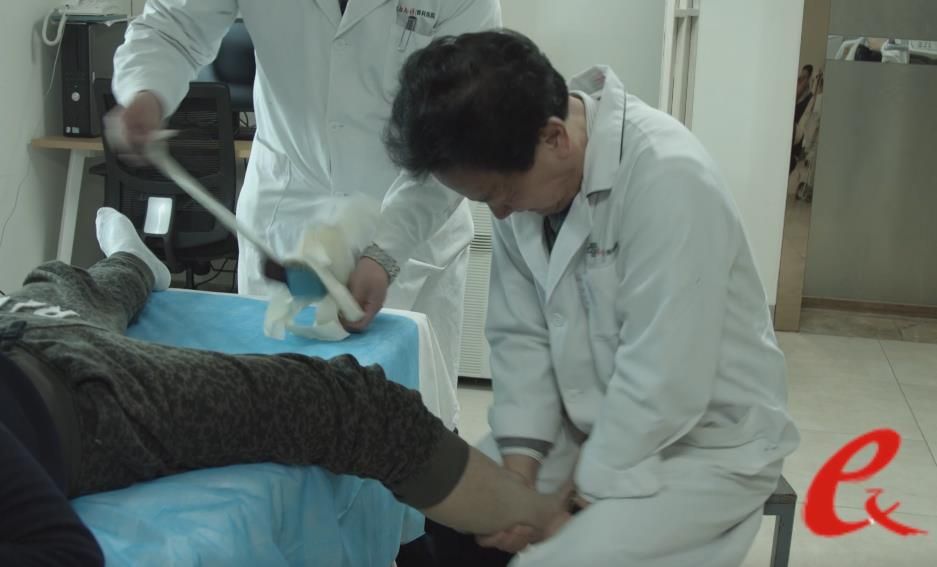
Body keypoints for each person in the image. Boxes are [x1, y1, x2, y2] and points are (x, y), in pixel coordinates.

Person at [385, 30, 801, 566]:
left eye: (499, 194)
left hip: (704, 443)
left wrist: (571, 503)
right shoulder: (522, 180)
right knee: (450, 524)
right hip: (586, 426)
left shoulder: (669, 177)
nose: (501, 213)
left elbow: (664, 377)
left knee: (553, 559)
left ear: (555, 137)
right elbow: (521, 337)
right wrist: (517, 477)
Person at [0, 208, 564, 566]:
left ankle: (133, 262)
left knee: (59, 284)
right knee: (342, 401)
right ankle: (532, 512)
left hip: (34, 348)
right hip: (73, 393)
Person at [108, 0, 502, 399]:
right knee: (274, 406)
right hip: (289, 208)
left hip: (414, 223)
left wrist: (387, 250)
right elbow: (173, 25)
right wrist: (145, 91)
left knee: (407, 411)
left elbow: (465, 130)